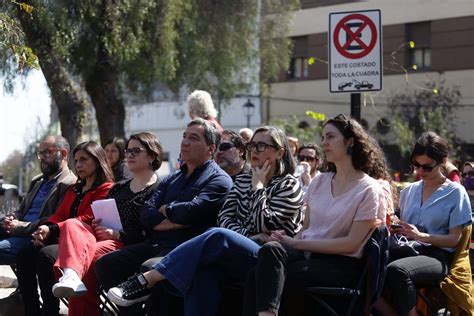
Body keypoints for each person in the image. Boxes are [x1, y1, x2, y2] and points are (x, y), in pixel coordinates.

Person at [106, 125, 304, 316]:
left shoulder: (288, 184)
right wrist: (251, 234)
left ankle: (148, 279)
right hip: (240, 250)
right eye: (252, 145)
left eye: (262, 146)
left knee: (217, 235)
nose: (254, 150)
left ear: (279, 152)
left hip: (269, 256)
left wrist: (259, 188)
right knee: (202, 273)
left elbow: (267, 223)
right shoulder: (243, 180)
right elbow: (225, 218)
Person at [243, 114, 388, 316]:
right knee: (268, 255)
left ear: (351, 141)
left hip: (341, 265)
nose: (324, 143)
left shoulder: (369, 189)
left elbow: (351, 244)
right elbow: (306, 229)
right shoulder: (319, 182)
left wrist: (297, 244)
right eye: (323, 137)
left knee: (281, 277)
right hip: (308, 256)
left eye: (330, 137)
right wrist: (287, 240)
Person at [95, 118, 233, 315]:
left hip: (185, 250)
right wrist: (175, 220)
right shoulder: (172, 178)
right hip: (155, 244)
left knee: (149, 267)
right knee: (106, 265)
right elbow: (147, 213)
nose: (184, 142)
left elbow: (192, 211)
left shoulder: (219, 180)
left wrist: (166, 210)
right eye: (184, 136)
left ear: (211, 149)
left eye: (193, 138)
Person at [50, 133, 162, 316]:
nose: (130, 155)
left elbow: (151, 231)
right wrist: (98, 224)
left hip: (131, 244)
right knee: (71, 224)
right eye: (128, 151)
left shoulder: (159, 188)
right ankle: (71, 276)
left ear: (152, 155)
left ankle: (75, 283)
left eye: (136, 151)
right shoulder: (119, 188)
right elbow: (98, 216)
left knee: (86, 258)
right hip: (103, 239)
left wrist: (118, 235)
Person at [378, 132, 472, 316]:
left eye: (427, 167)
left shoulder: (455, 192)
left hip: (436, 256)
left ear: (443, 161)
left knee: (396, 270)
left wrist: (422, 236)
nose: (420, 172)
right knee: (366, 264)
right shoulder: (408, 191)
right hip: (406, 248)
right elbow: (401, 228)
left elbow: (454, 240)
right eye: (416, 165)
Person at [16, 141, 114, 316]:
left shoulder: (105, 188)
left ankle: (50, 311)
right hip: (61, 236)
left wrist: (52, 230)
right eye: (76, 160)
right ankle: (31, 310)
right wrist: (45, 228)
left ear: (98, 160)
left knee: (46, 256)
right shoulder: (75, 188)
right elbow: (59, 215)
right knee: (25, 253)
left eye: (84, 159)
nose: (78, 165)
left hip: (83, 242)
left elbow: (88, 219)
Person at [0, 136, 77, 264]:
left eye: (47, 152)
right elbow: (22, 210)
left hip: (35, 237)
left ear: (63, 154)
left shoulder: (69, 184)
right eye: (40, 153)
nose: (41, 158)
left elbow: (52, 220)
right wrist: (12, 218)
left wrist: (18, 226)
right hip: (16, 231)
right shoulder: (37, 181)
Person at [461, 162, 474, 271]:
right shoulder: (461, 195)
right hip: (465, 247)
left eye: (471, 173)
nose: (467, 177)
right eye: (464, 175)